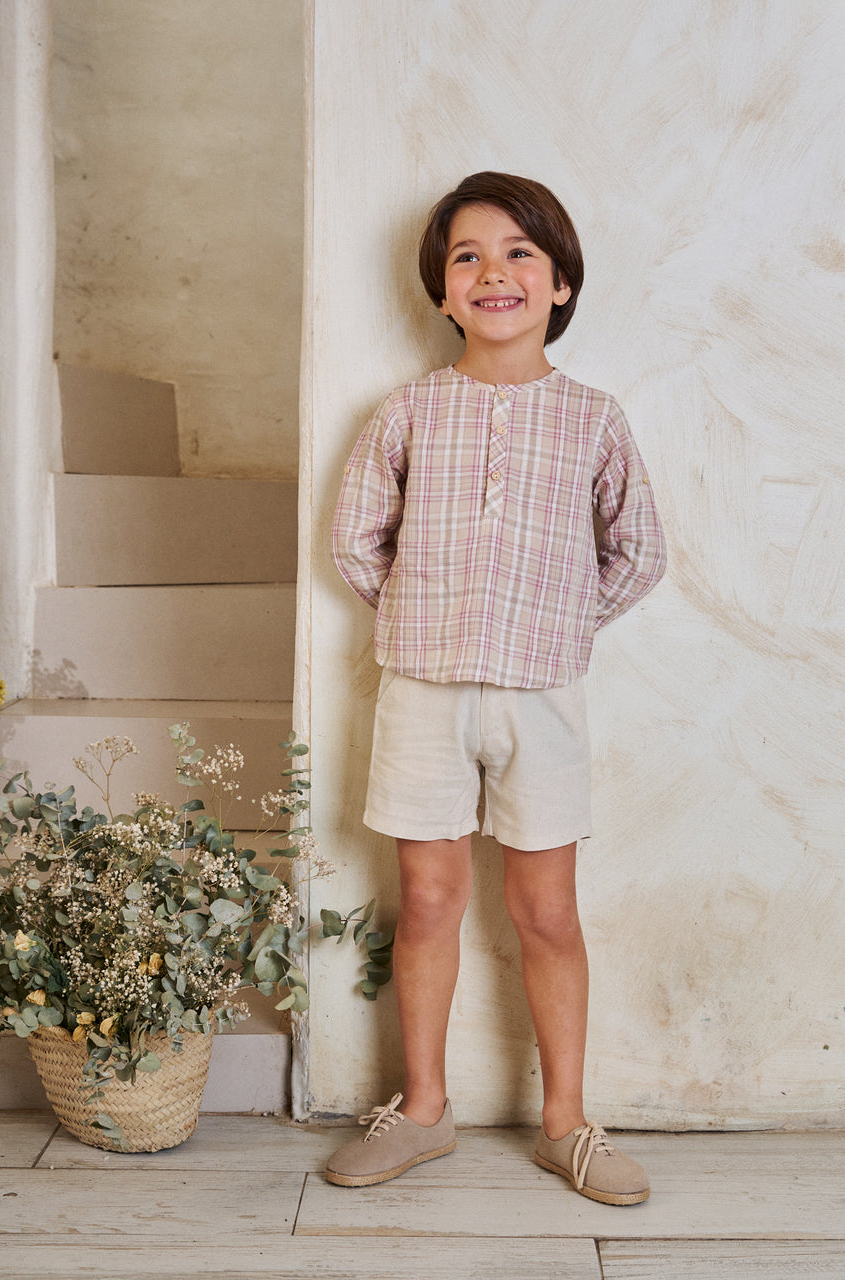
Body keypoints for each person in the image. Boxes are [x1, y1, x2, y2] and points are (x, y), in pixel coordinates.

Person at [326, 172, 666, 1206]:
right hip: (422, 693)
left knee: (545, 910)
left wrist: (558, 622)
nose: (493, 272)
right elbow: (355, 540)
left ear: (560, 284)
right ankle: (423, 1109)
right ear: (442, 291)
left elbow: (640, 551)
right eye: (467, 256)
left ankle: (565, 1121)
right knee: (429, 900)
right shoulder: (410, 410)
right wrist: (427, 617)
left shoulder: (593, 418)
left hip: (543, 699)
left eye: (520, 253)